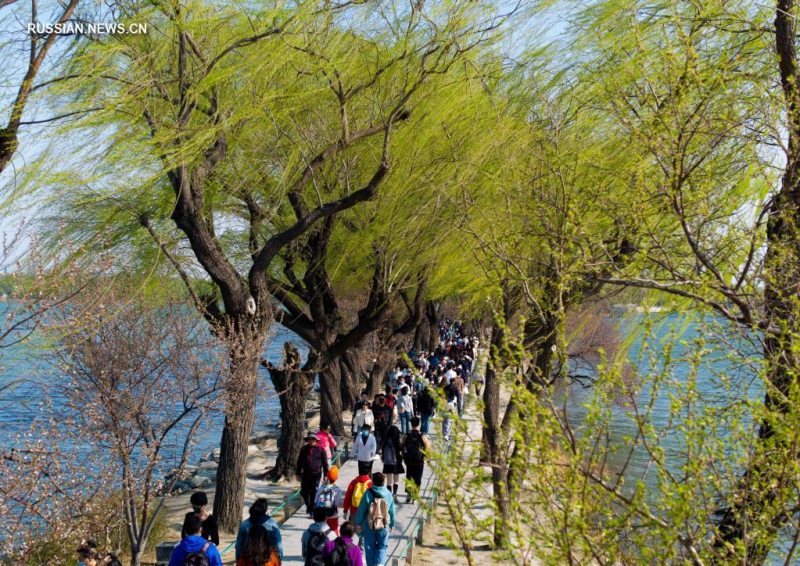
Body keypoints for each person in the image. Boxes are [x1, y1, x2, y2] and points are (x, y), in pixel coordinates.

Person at [354, 473, 396, 566]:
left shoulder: (368, 493)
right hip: (384, 524)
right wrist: (392, 524)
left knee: (369, 546)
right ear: (383, 482)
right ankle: (379, 563)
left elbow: (362, 510)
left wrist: (358, 523)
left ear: (373, 481)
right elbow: (392, 511)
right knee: (382, 546)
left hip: (370, 524)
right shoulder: (388, 494)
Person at [297, 433, 330, 516]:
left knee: (313, 492)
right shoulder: (304, 449)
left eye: (313, 439)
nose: (311, 441)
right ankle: (308, 506)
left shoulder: (321, 450)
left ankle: (312, 510)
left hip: (316, 474)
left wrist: (326, 474)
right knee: (303, 492)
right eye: (309, 439)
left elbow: (325, 463)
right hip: (305, 474)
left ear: (316, 440)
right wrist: (297, 473)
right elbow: (299, 462)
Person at [402, 416, 431, 503]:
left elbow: (402, 446)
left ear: (411, 424)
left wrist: (404, 457)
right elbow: (428, 447)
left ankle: (408, 494)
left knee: (409, 477)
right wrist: (428, 458)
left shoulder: (407, 435)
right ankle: (415, 495)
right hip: (419, 461)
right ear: (418, 424)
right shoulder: (422, 436)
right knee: (418, 478)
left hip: (409, 461)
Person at [314, 465, 345, 534]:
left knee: (322, 532)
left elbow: (316, 500)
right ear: (336, 477)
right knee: (333, 532)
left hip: (321, 515)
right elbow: (338, 503)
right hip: (332, 515)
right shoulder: (337, 489)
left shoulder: (321, 488)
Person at [380, 424, 405, 503]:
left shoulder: (385, 441)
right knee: (396, 480)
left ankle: (389, 496)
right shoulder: (398, 441)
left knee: (389, 481)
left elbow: (382, 452)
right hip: (396, 462)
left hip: (387, 463)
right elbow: (402, 449)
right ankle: (395, 495)